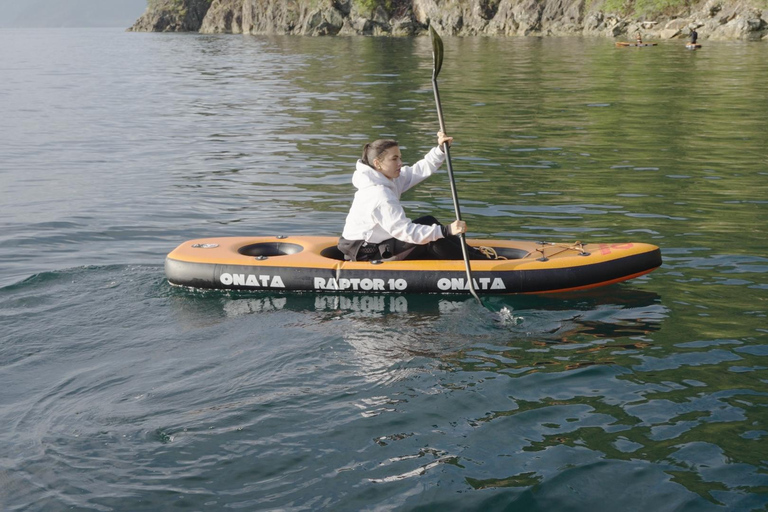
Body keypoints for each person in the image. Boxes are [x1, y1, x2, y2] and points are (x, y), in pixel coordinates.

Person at [338, 132, 494, 262]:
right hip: (366, 252)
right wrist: (446, 230)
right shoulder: (379, 194)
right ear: (377, 163)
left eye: (400, 157)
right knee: (432, 239)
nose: (400, 163)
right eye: (394, 159)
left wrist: (440, 149)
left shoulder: (388, 179)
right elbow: (405, 232)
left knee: (428, 221)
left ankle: (475, 256)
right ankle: (481, 264)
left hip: (381, 240)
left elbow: (417, 171)